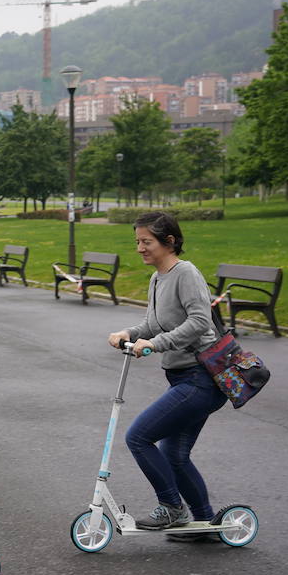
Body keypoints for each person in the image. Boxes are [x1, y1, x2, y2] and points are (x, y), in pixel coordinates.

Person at [107, 211, 227, 540]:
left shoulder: (185, 273)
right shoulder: (158, 277)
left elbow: (200, 322)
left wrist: (156, 344)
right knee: (174, 454)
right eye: (137, 242)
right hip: (182, 378)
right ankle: (205, 524)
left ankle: (172, 506)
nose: (140, 248)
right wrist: (129, 333)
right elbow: (153, 324)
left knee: (138, 437)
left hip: (201, 377)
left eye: (146, 242)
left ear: (169, 241)